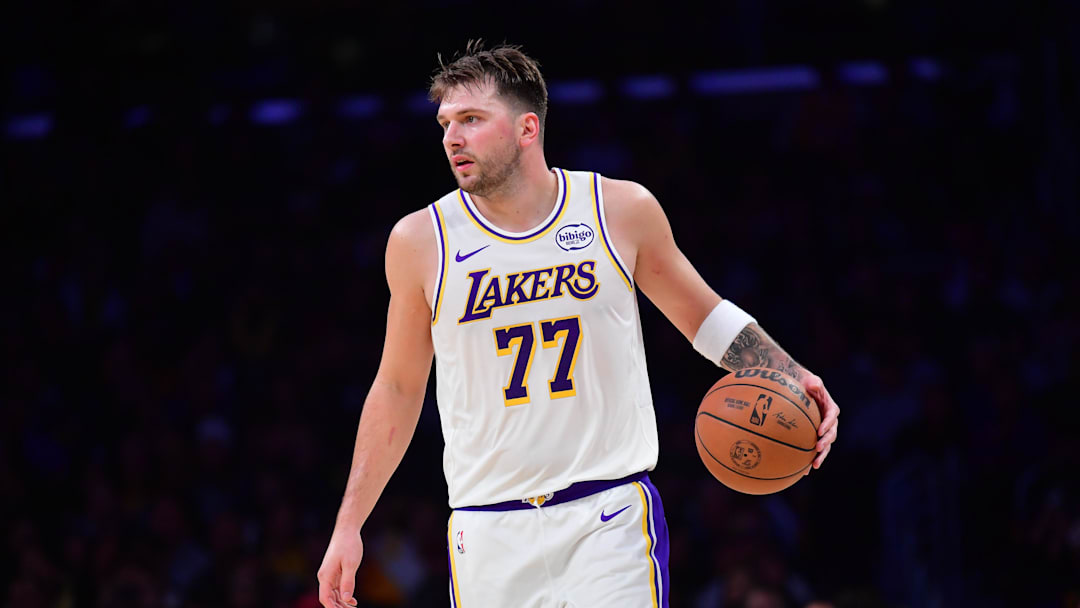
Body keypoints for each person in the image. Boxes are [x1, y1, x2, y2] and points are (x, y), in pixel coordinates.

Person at [317, 40, 840, 608]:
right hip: (487, 528)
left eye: (471, 119)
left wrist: (789, 372)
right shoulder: (420, 240)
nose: (452, 138)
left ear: (527, 128)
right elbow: (397, 387)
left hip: (608, 516)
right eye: (445, 123)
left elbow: (705, 316)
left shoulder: (617, 209)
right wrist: (349, 523)